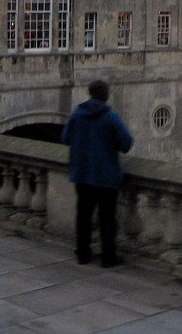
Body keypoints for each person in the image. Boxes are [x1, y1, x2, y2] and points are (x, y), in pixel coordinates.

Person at [61, 79, 134, 267]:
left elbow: (65, 138)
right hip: (106, 175)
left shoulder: (77, 114)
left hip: (83, 174)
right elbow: (126, 143)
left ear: (90, 94)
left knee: (83, 215)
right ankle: (108, 257)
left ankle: (83, 253)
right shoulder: (111, 117)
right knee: (107, 218)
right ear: (106, 95)